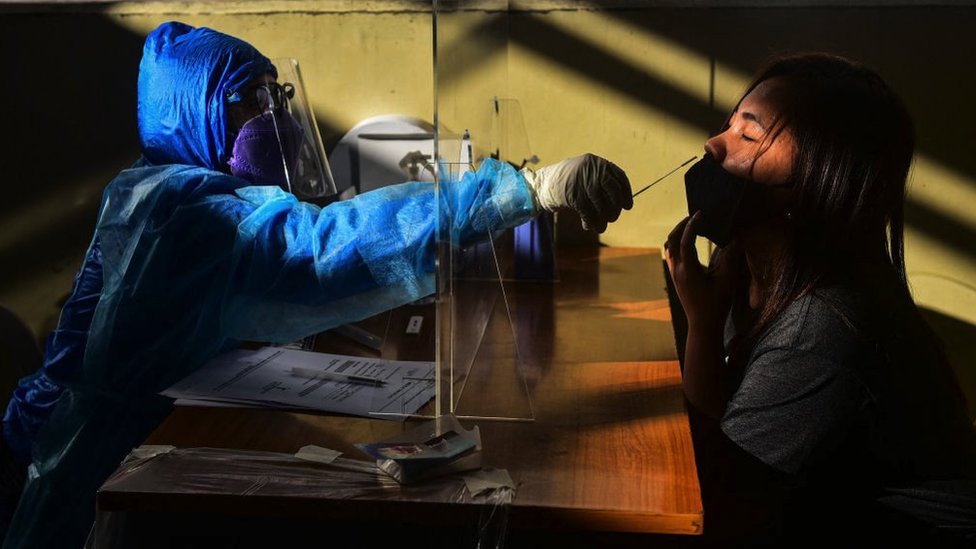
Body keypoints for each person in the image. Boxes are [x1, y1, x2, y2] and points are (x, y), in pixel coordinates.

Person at [0, 21, 632, 548]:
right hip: (96, 468)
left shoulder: (174, 184)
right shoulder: (179, 211)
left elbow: (242, 290)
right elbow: (317, 247)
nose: (273, 115)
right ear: (194, 113)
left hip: (157, 437)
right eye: (250, 99)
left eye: (277, 95)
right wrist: (522, 190)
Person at [666, 53, 976, 546]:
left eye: (749, 136)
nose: (713, 145)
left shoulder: (822, 325)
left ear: (819, 179)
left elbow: (713, 504)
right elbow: (720, 445)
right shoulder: (752, 272)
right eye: (728, 126)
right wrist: (704, 324)